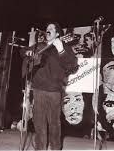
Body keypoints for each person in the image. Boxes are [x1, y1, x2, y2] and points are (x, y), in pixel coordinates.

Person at [21, 22, 77, 150]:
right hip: (38, 89)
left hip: (54, 90)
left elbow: (72, 67)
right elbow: (22, 51)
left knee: (54, 124)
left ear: (57, 34)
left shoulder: (64, 47)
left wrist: (61, 50)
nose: (48, 30)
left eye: (51, 28)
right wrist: (28, 53)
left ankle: (55, 148)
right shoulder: (39, 46)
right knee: (39, 123)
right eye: (47, 28)